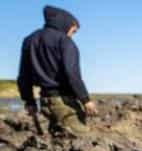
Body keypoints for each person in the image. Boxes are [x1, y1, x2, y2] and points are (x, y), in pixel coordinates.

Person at [17, 6, 98, 136]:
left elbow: (23, 76)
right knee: (84, 140)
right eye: (74, 31)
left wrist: (29, 101)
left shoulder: (29, 40)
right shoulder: (65, 41)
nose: (72, 35)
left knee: (58, 139)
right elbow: (72, 74)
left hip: (44, 102)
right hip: (64, 102)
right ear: (66, 24)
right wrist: (85, 100)